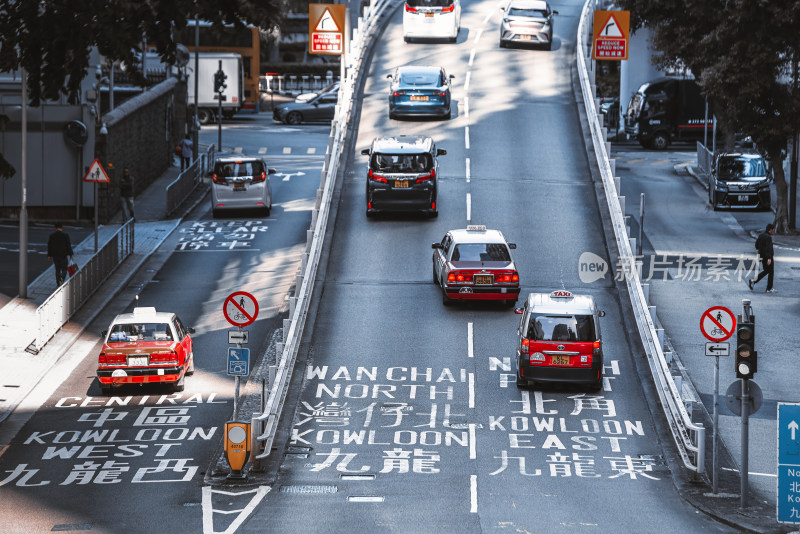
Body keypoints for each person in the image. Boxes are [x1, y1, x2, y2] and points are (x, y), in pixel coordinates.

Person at [749, 223, 776, 293]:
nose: (773, 231)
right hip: (768, 257)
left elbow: (756, 245)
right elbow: (768, 248)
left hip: (762, 256)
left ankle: (754, 281)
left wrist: (761, 250)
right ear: (770, 230)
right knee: (771, 272)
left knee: (767, 271)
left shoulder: (761, 235)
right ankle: (769, 288)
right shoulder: (768, 237)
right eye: (773, 230)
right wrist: (769, 258)